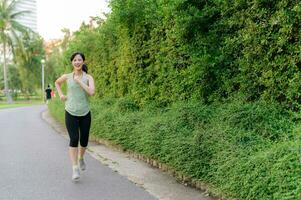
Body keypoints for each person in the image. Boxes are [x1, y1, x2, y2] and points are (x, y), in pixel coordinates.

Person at [55, 52, 95, 181]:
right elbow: (57, 83)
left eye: (79, 60)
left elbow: (91, 92)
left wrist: (79, 82)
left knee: (84, 140)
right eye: (75, 60)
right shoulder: (66, 76)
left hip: (85, 112)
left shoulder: (88, 77)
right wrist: (61, 94)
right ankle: (75, 168)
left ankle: (81, 157)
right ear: (72, 62)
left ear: (83, 61)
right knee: (74, 138)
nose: (77, 62)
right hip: (70, 111)